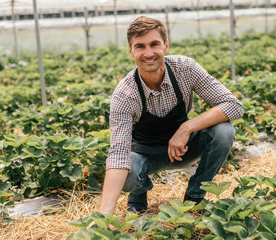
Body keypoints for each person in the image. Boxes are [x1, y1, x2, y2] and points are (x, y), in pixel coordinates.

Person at [98, 16, 243, 215]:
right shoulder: (125, 94)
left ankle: (195, 197)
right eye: (140, 46)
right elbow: (117, 156)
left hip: (183, 149)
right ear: (131, 51)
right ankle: (138, 194)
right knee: (128, 171)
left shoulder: (185, 69)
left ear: (165, 45)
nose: (148, 53)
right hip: (145, 155)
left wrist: (187, 127)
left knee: (224, 131)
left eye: (154, 44)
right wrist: (102, 218)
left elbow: (233, 105)